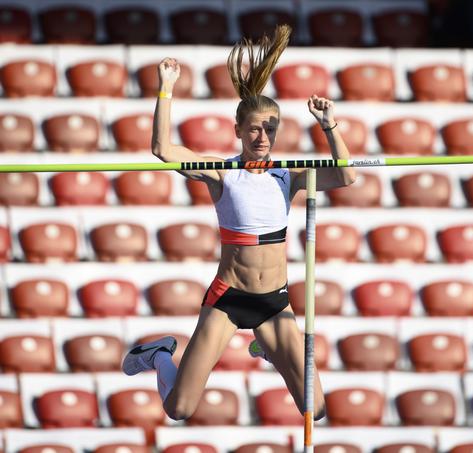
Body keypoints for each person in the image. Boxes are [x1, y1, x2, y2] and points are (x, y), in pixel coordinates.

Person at [121, 24, 356, 422]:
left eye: (270, 129)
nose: (263, 137)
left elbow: (346, 176)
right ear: (238, 131)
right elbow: (162, 148)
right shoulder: (222, 173)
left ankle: (266, 348)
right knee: (179, 408)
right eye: (254, 129)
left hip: (274, 304)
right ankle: (158, 355)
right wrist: (166, 88)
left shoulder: (290, 173)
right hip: (228, 301)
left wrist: (329, 124)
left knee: (314, 408)